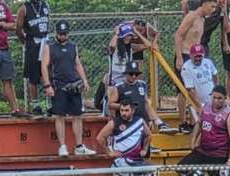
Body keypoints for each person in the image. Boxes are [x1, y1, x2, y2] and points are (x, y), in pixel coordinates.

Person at [42, 20, 94, 157]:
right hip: (58, 85)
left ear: (68, 33)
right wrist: (47, 85)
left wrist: (84, 80)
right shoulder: (50, 47)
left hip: (74, 85)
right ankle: (62, 146)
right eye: (60, 33)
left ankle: (79, 146)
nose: (62, 36)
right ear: (56, 33)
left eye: (64, 34)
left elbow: (77, 64)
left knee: (77, 115)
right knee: (60, 116)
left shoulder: (73, 46)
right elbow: (44, 66)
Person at [180, 85, 230, 176]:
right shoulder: (205, 107)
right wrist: (193, 140)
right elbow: (199, 124)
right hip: (203, 151)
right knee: (181, 168)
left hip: (219, 155)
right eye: (214, 97)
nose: (216, 100)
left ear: (225, 99)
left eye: (219, 98)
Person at [173, 0, 219, 128]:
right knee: (183, 89)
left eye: (215, 7)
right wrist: (179, 57)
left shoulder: (202, 19)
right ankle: (182, 121)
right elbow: (178, 35)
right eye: (212, 6)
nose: (214, 9)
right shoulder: (192, 16)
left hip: (195, 56)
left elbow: (197, 40)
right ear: (204, 4)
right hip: (184, 54)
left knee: (195, 88)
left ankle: (195, 120)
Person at [106, 59, 164, 132]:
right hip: (126, 123)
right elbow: (110, 105)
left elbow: (146, 104)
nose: (134, 76)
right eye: (131, 74)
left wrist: (156, 121)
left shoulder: (142, 85)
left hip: (141, 121)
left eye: (136, 74)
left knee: (146, 140)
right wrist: (125, 106)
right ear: (126, 74)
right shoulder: (119, 87)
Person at [12, 0, 48, 117]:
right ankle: (35, 105)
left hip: (45, 42)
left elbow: (47, 24)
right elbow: (18, 29)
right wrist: (25, 42)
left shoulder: (45, 5)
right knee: (33, 75)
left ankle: (51, 103)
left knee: (48, 72)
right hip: (32, 44)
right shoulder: (24, 8)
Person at [179, 42, 217, 123]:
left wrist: (217, 90)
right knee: (201, 126)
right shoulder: (186, 68)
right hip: (200, 103)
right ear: (191, 55)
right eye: (196, 56)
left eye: (200, 56)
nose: (198, 58)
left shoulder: (208, 62)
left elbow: (215, 75)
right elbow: (190, 90)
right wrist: (199, 106)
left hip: (213, 101)